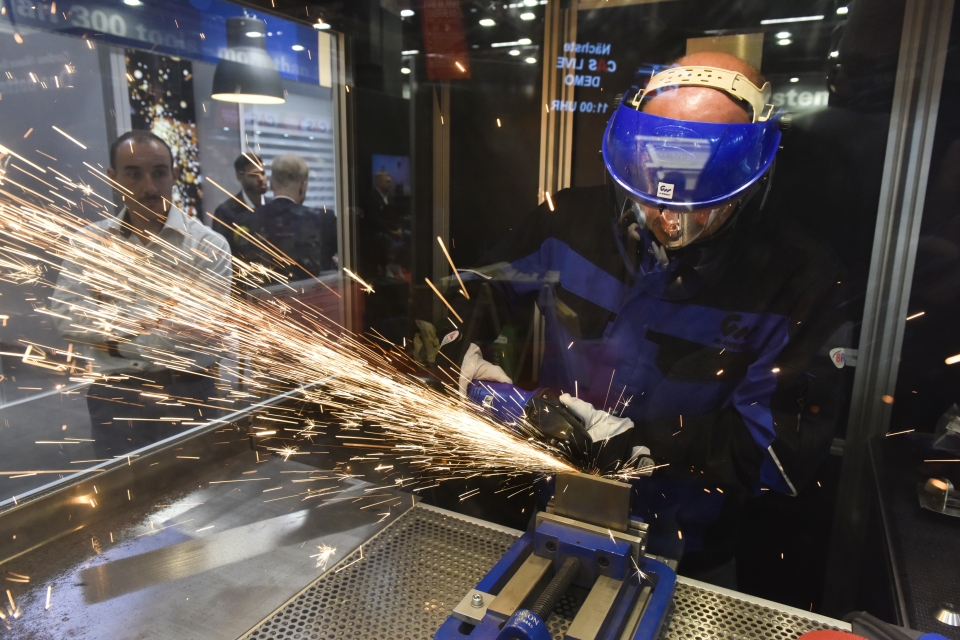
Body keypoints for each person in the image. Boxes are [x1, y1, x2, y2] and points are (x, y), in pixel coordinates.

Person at [443, 52, 847, 586]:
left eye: (700, 183)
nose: (666, 212)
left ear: (749, 170)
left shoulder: (800, 280)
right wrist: (470, 359)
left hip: (682, 551)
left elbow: (780, 455)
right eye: (656, 170)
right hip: (549, 510)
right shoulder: (567, 221)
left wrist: (633, 442)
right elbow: (477, 292)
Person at [50, 131, 232, 459]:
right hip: (114, 395)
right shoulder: (90, 243)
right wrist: (155, 319)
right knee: (120, 497)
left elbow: (200, 330)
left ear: (174, 176)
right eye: (133, 174)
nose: (148, 187)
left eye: (159, 173)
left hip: (188, 393)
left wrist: (112, 339)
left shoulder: (208, 245)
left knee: (198, 495)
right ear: (114, 178)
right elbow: (65, 316)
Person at [255, 154, 337, 279]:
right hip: (314, 296)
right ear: (303, 186)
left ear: (271, 184)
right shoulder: (325, 219)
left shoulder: (246, 219)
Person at [210, 153, 267, 264]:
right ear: (239, 177)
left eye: (263, 173)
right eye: (254, 175)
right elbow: (221, 258)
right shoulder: (225, 212)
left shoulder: (274, 207)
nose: (261, 178)